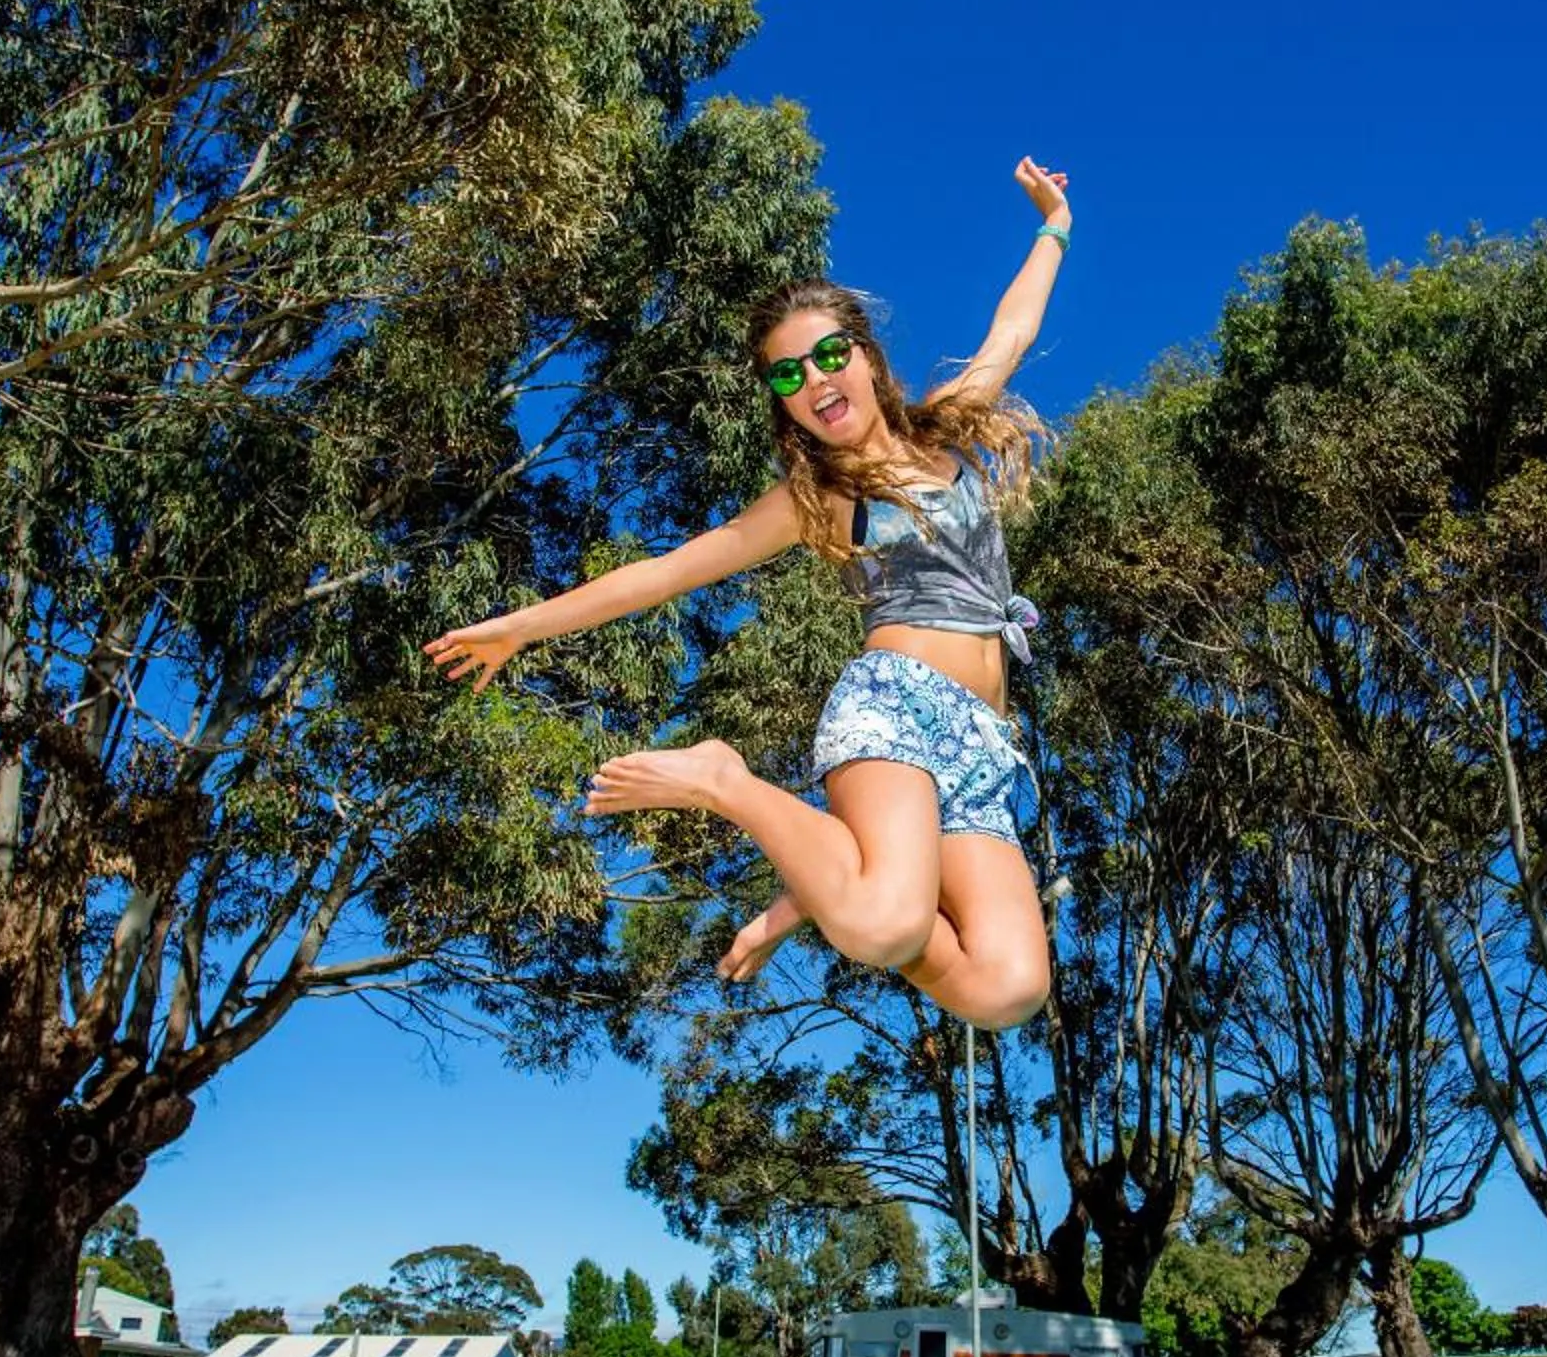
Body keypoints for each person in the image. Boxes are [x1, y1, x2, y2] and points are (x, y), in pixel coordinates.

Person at [424, 157, 1072, 1029]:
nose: (813, 381)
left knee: (1007, 991)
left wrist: (1054, 225)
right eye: (787, 376)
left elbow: (1013, 329)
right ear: (783, 405)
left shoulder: (949, 426)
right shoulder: (817, 499)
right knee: (885, 926)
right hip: (898, 710)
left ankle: (821, 884)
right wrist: (518, 627)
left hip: (985, 750)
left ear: (867, 360)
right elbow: (666, 572)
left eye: (828, 357)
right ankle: (725, 779)